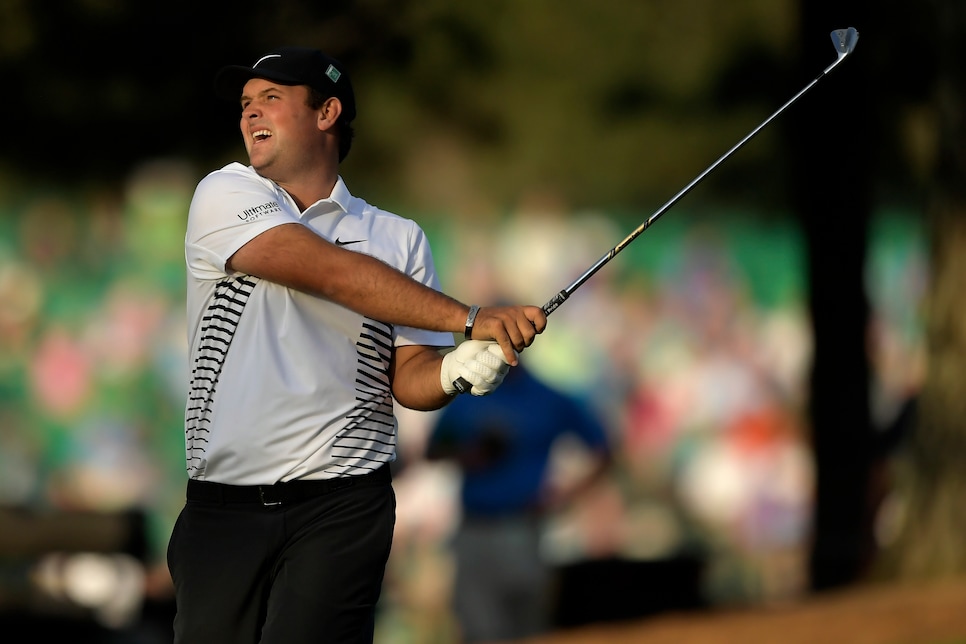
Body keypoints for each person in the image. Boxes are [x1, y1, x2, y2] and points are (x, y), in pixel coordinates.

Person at [166, 46, 547, 644]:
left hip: (343, 505)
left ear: (327, 113)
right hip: (223, 509)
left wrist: (456, 371)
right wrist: (468, 317)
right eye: (245, 103)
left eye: (271, 98)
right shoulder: (224, 192)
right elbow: (329, 273)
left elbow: (410, 378)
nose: (249, 115)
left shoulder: (398, 237)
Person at [425, 359, 612, 643]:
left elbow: (603, 449)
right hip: (474, 527)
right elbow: (434, 449)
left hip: (523, 527)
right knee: (478, 630)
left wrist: (564, 495)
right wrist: (471, 454)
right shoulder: (468, 393)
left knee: (525, 627)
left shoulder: (548, 397)